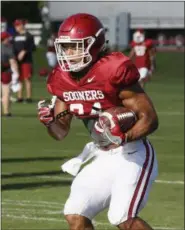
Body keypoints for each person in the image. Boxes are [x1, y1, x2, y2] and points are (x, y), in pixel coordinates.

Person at [37, 13, 159, 230]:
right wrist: (49, 121)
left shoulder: (112, 71)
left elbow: (150, 119)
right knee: (75, 213)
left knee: (122, 217)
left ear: (94, 45)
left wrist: (124, 136)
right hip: (102, 154)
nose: (69, 53)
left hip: (132, 153)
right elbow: (61, 132)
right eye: (66, 47)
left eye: (76, 46)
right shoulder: (61, 79)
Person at [12, 19, 36, 103]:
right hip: (17, 61)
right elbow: (13, 48)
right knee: (19, 79)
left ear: (22, 25)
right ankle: (20, 97)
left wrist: (24, 51)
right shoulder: (14, 36)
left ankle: (28, 97)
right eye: (15, 25)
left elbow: (32, 47)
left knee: (27, 78)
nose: (16, 27)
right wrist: (14, 58)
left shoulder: (29, 36)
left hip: (26, 61)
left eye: (18, 25)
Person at [1, 31, 20, 116]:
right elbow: (12, 61)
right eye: (7, 38)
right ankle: (6, 112)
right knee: (6, 93)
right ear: (4, 39)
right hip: (5, 72)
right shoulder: (8, 48)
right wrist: (17, 72)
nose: (9, 39)